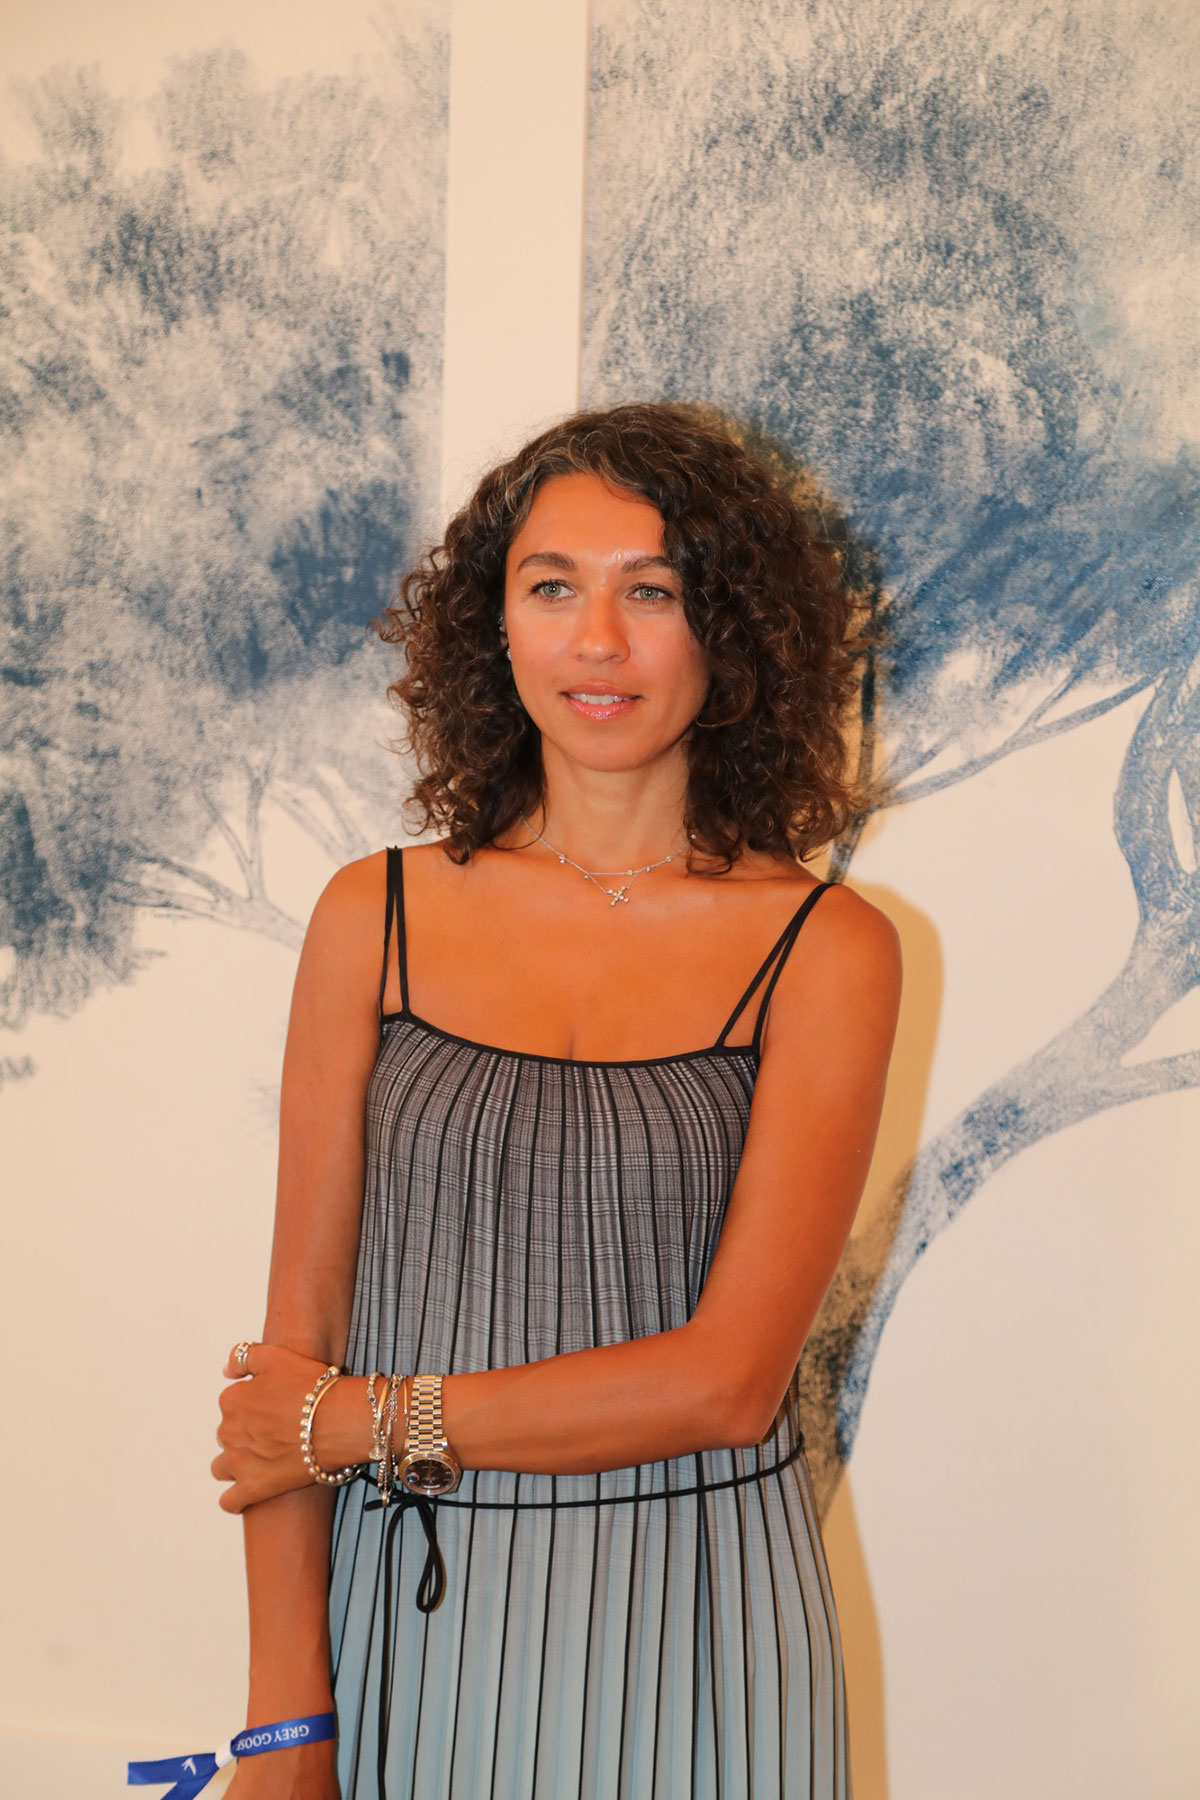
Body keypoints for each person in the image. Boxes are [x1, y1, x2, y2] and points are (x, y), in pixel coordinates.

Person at [211, 400, 902, 1800]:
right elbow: (293, 1367)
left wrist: (371, 1420)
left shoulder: (829, 949)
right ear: (496, 625)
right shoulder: (372, 916)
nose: (597, 641)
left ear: (730, 630)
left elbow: (727, 1384)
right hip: (410, 1621)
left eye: (652, 591)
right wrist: (284, 1726)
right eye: (551, 588)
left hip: (703, 1622)